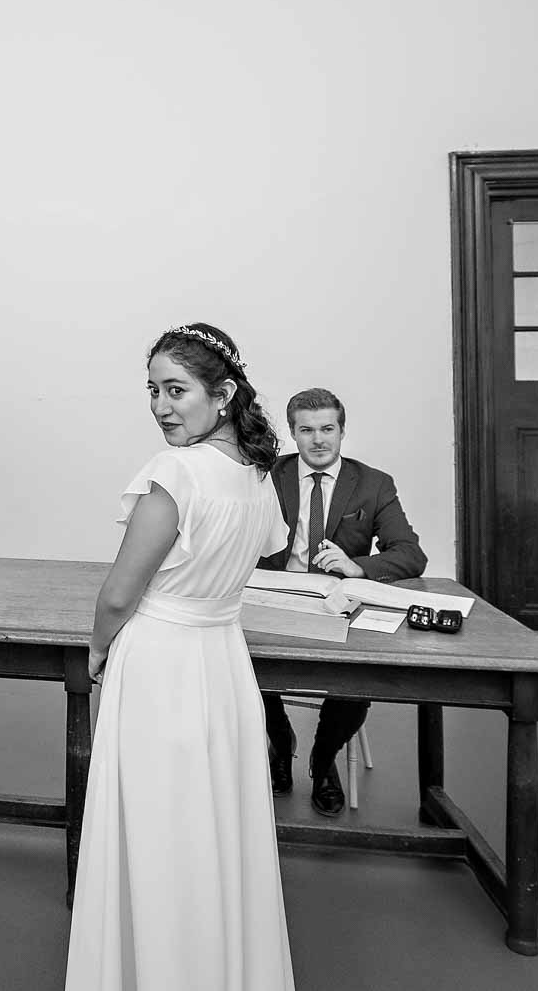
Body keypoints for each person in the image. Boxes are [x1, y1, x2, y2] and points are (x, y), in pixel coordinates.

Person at [65, 323, 295, 991]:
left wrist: (99, 646)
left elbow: (118, 592)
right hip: (222, 661)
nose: (162, 406)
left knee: (157, 827)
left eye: (177, 390)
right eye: (153, 390)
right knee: (213, 826)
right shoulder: (256, 477)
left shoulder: (177, 473)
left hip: (161, 661)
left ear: (223, 393)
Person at [258, 387, 426, 817]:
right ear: (293, 434)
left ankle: (324, 756)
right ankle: (281, 743)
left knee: (360, 675)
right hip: (278, 597)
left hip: (340, 606)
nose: (318, 440)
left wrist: (357, 567)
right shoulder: (265, 475)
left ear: (342, 431)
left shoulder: (372, 484)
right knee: (238, 660)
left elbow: (410, 554)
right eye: (307, 430)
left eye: (327, 429)